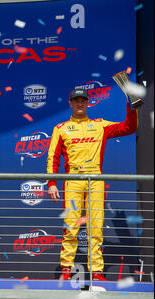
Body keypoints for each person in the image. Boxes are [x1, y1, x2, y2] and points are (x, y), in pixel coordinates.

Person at [47, 88, 138, 281]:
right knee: (70, 226)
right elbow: (53, 157)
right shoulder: (60, 128)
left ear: (88, 103)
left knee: (95, 227)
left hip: (95, 179)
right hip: (72, 180)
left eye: (83, 100)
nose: (80, 103)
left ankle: (96, 272)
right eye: (76, 100)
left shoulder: (100, 125)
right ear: (70, 103)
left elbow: (129, 128)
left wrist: (131, 105)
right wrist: (52, 182)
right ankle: (66, 270)